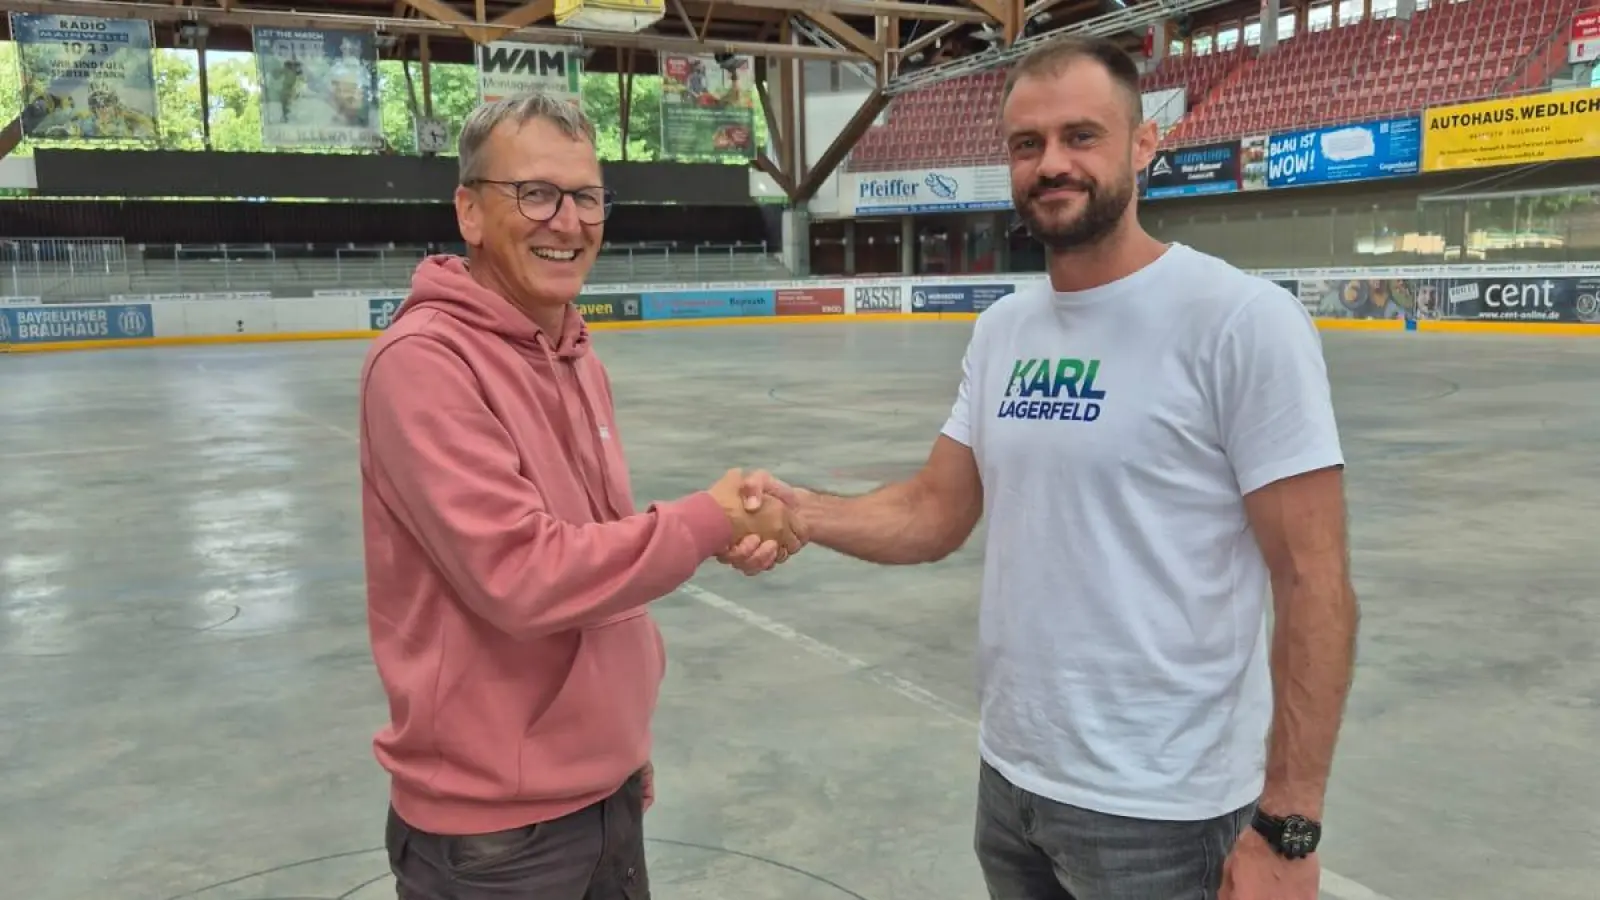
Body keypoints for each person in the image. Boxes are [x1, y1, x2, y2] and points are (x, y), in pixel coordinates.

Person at [723, 35, 1359, 900]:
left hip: (1163, 813)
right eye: (1028, 145)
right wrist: (803, 512)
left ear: (1143, 143)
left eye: (1080, 136)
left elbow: (1314, 580)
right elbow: (933, 511)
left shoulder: (1241, 322)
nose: (1051, 163)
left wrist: (1288, 827)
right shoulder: (1005, 331)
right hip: (1013, 784)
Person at [358, 93, 803, 900]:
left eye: (587, 197)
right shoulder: (425, 364)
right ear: (469, 210)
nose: (567, 221)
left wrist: (617, 739)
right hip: (497, 835)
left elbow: (595, 551)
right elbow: (522, 576)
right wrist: (708, 519)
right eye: (535, 193)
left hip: (602, 792)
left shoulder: (573, 353)